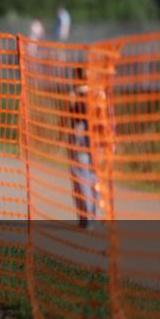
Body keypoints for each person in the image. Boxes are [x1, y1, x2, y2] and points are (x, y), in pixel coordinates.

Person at [63, 67, 101, 228]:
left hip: (80, 141)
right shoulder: (98, 95)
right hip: (96, 143)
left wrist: (61, 136)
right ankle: (91, 214)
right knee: (93, 178)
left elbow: (65, 118)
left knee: (81, 178)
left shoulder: (74, 96)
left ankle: (86, 216)